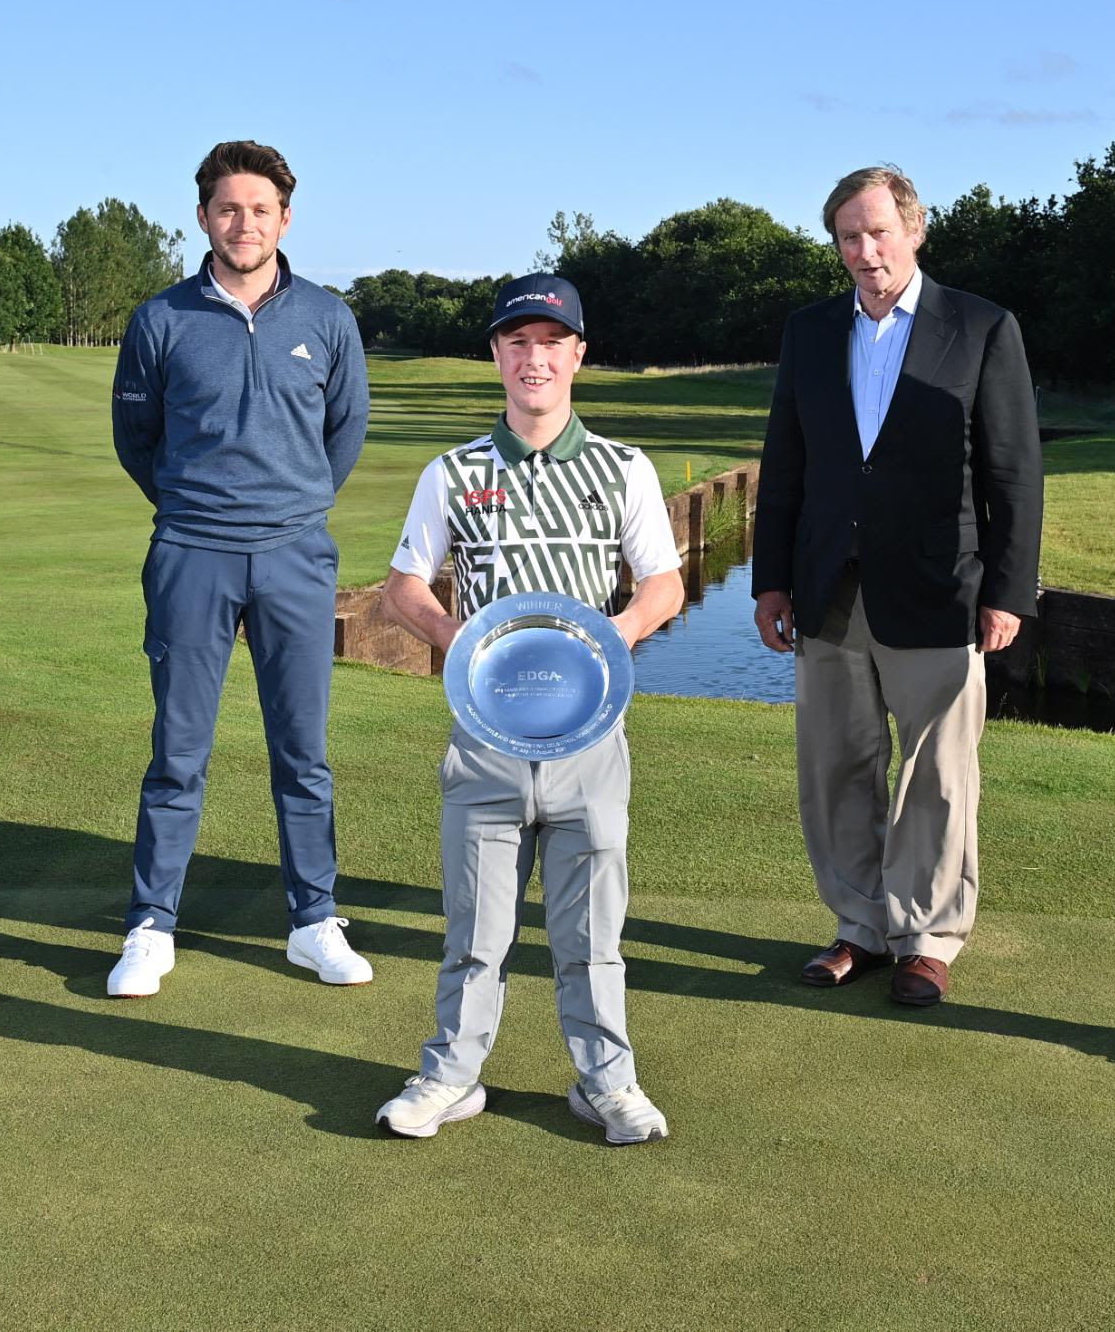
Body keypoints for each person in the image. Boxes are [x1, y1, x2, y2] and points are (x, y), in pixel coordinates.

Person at [371, 275, 685, 1145]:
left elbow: (663, 583)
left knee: (592, 932)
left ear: (577, 354)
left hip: (590, 736)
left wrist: (615, 636)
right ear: (496, 355)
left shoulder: (623, 467)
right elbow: (402, 587)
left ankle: (606, 1083)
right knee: (476, 931)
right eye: (517, 343)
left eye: (551, 343)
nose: (533, 359)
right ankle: (451, 1076)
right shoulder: (453, 472)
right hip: (486, 740)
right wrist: (459, 641)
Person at [751, 166, 1042, 1008]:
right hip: (828, 587)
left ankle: (927, 938)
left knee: (936, 776)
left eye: (878, 231)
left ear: (914, 230)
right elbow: (786, 462)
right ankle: (861, 926)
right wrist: (770, 581)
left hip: (939, 588)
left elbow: (1013, 471)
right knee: (836, 767)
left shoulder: (981, 326)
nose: (865, 250)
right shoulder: (809, 330)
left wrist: (1008, 591)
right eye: (849, 236)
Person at [106, 140, 372, 996]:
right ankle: (151, 925)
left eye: (260, 209)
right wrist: (199, 512)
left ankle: (313, 919)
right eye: (228, 208)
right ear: (203, 217)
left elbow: (344, 432)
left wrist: (290, 506)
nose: (243, 223)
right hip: (192, 552)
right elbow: (137, 440)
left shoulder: (326, 317)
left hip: (295, 553)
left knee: (303, 751)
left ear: (284, 219)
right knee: (178, 750)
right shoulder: (161, 318)